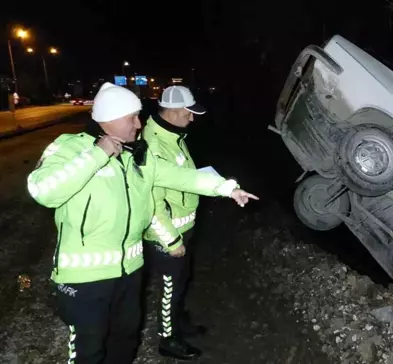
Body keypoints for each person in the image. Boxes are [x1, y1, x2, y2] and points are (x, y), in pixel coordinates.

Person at [26, 82, 258, 364]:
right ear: (110, 119)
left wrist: (227, 188)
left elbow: (182, 177)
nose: (139, 124)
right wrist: (97, 155)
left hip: (130, 271)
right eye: (132, 118)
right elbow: (43, 190)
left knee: (125, 340)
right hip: (85, 278)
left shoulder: (136, 155)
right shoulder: (69, 147)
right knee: (89, 350)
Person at [140, 85, 209, 360]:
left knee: (181, 281)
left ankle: (179, 324)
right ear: (172, 111)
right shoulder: (154, 145)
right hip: (168, 235)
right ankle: (167, 340)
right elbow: (151, 203)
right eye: (188, 113)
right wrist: (171, 240)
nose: (192, 118)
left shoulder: (172, 135)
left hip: (183, 227)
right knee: (170, 289)